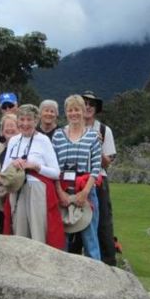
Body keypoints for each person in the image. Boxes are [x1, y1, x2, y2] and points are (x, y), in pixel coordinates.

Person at [2, 105, 63, 248]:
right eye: (22, 119)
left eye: (29, 119)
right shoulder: (13, 141)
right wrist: (13, 163)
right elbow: (4, 170)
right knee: (18, 232)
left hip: (37, 190)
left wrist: (36, 166)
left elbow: (56, 172)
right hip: (17, 189)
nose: (25, 124)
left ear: (36, 121)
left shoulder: (43, 141)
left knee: (38, 233)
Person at [52, 95, 102, 261]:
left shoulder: (93, 136)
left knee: (90, 238)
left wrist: (85, 193)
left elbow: (96, 166)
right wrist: (60, 192)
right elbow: (53, 166)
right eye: (70, 110)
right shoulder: (58, 136)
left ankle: (97, 278)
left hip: (86, 189)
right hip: (63, 190)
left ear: (83, 111)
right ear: (66, 112)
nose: (74, 113)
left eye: (77, 109)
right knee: (61, 238)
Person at [81, 90, 118, 266]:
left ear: (96, 109)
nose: (87, 107)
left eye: (91, 104)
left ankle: (108, 263)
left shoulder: (103, 130)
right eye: (84, 103)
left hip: (98, 180)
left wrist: (98, 146)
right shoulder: (70, 128)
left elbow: (107, 162)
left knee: (102, 222)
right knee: (74, 220)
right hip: (77, 179)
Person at [0, 113, 19, 230]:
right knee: (2, 228)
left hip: (17, 196)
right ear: (1, 131)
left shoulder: (23, 147)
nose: (9, 129)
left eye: (13, 125)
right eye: (6, 126)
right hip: (1, 197)